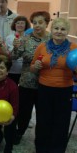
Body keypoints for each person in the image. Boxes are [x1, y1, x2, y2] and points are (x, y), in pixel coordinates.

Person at [30, 18, 77, 153]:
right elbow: (32, 68)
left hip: (64, 90)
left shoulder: (74, 48)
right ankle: (41, 151)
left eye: (62, 29)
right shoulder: (42, 47)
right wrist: (35, 66)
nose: (59, 32)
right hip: (44, 89)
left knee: (60, 123)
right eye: (56, 28)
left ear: (67, 32)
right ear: (52, 30)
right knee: (43, 121)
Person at [11, 11, 51, 145]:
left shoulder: (52, 40)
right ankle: (19, 132)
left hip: (46, 83)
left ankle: (41, 139)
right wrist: (15, 49)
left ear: (47, 23)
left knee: (43, 113)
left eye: (41, 22)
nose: (37, 25)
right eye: (35, 23)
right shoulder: (25, 39)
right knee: (23, 112)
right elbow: (14, 57)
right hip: (27, 82)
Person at [5, 16, 31, 84]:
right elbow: (6, 54)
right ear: (14, 25)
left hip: (24, 71)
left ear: (26, 25)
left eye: (22, 23)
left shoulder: (28, 38)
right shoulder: (9, 38)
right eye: (18, 23)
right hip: (11, 70)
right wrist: (14, 48)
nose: (20, 25)